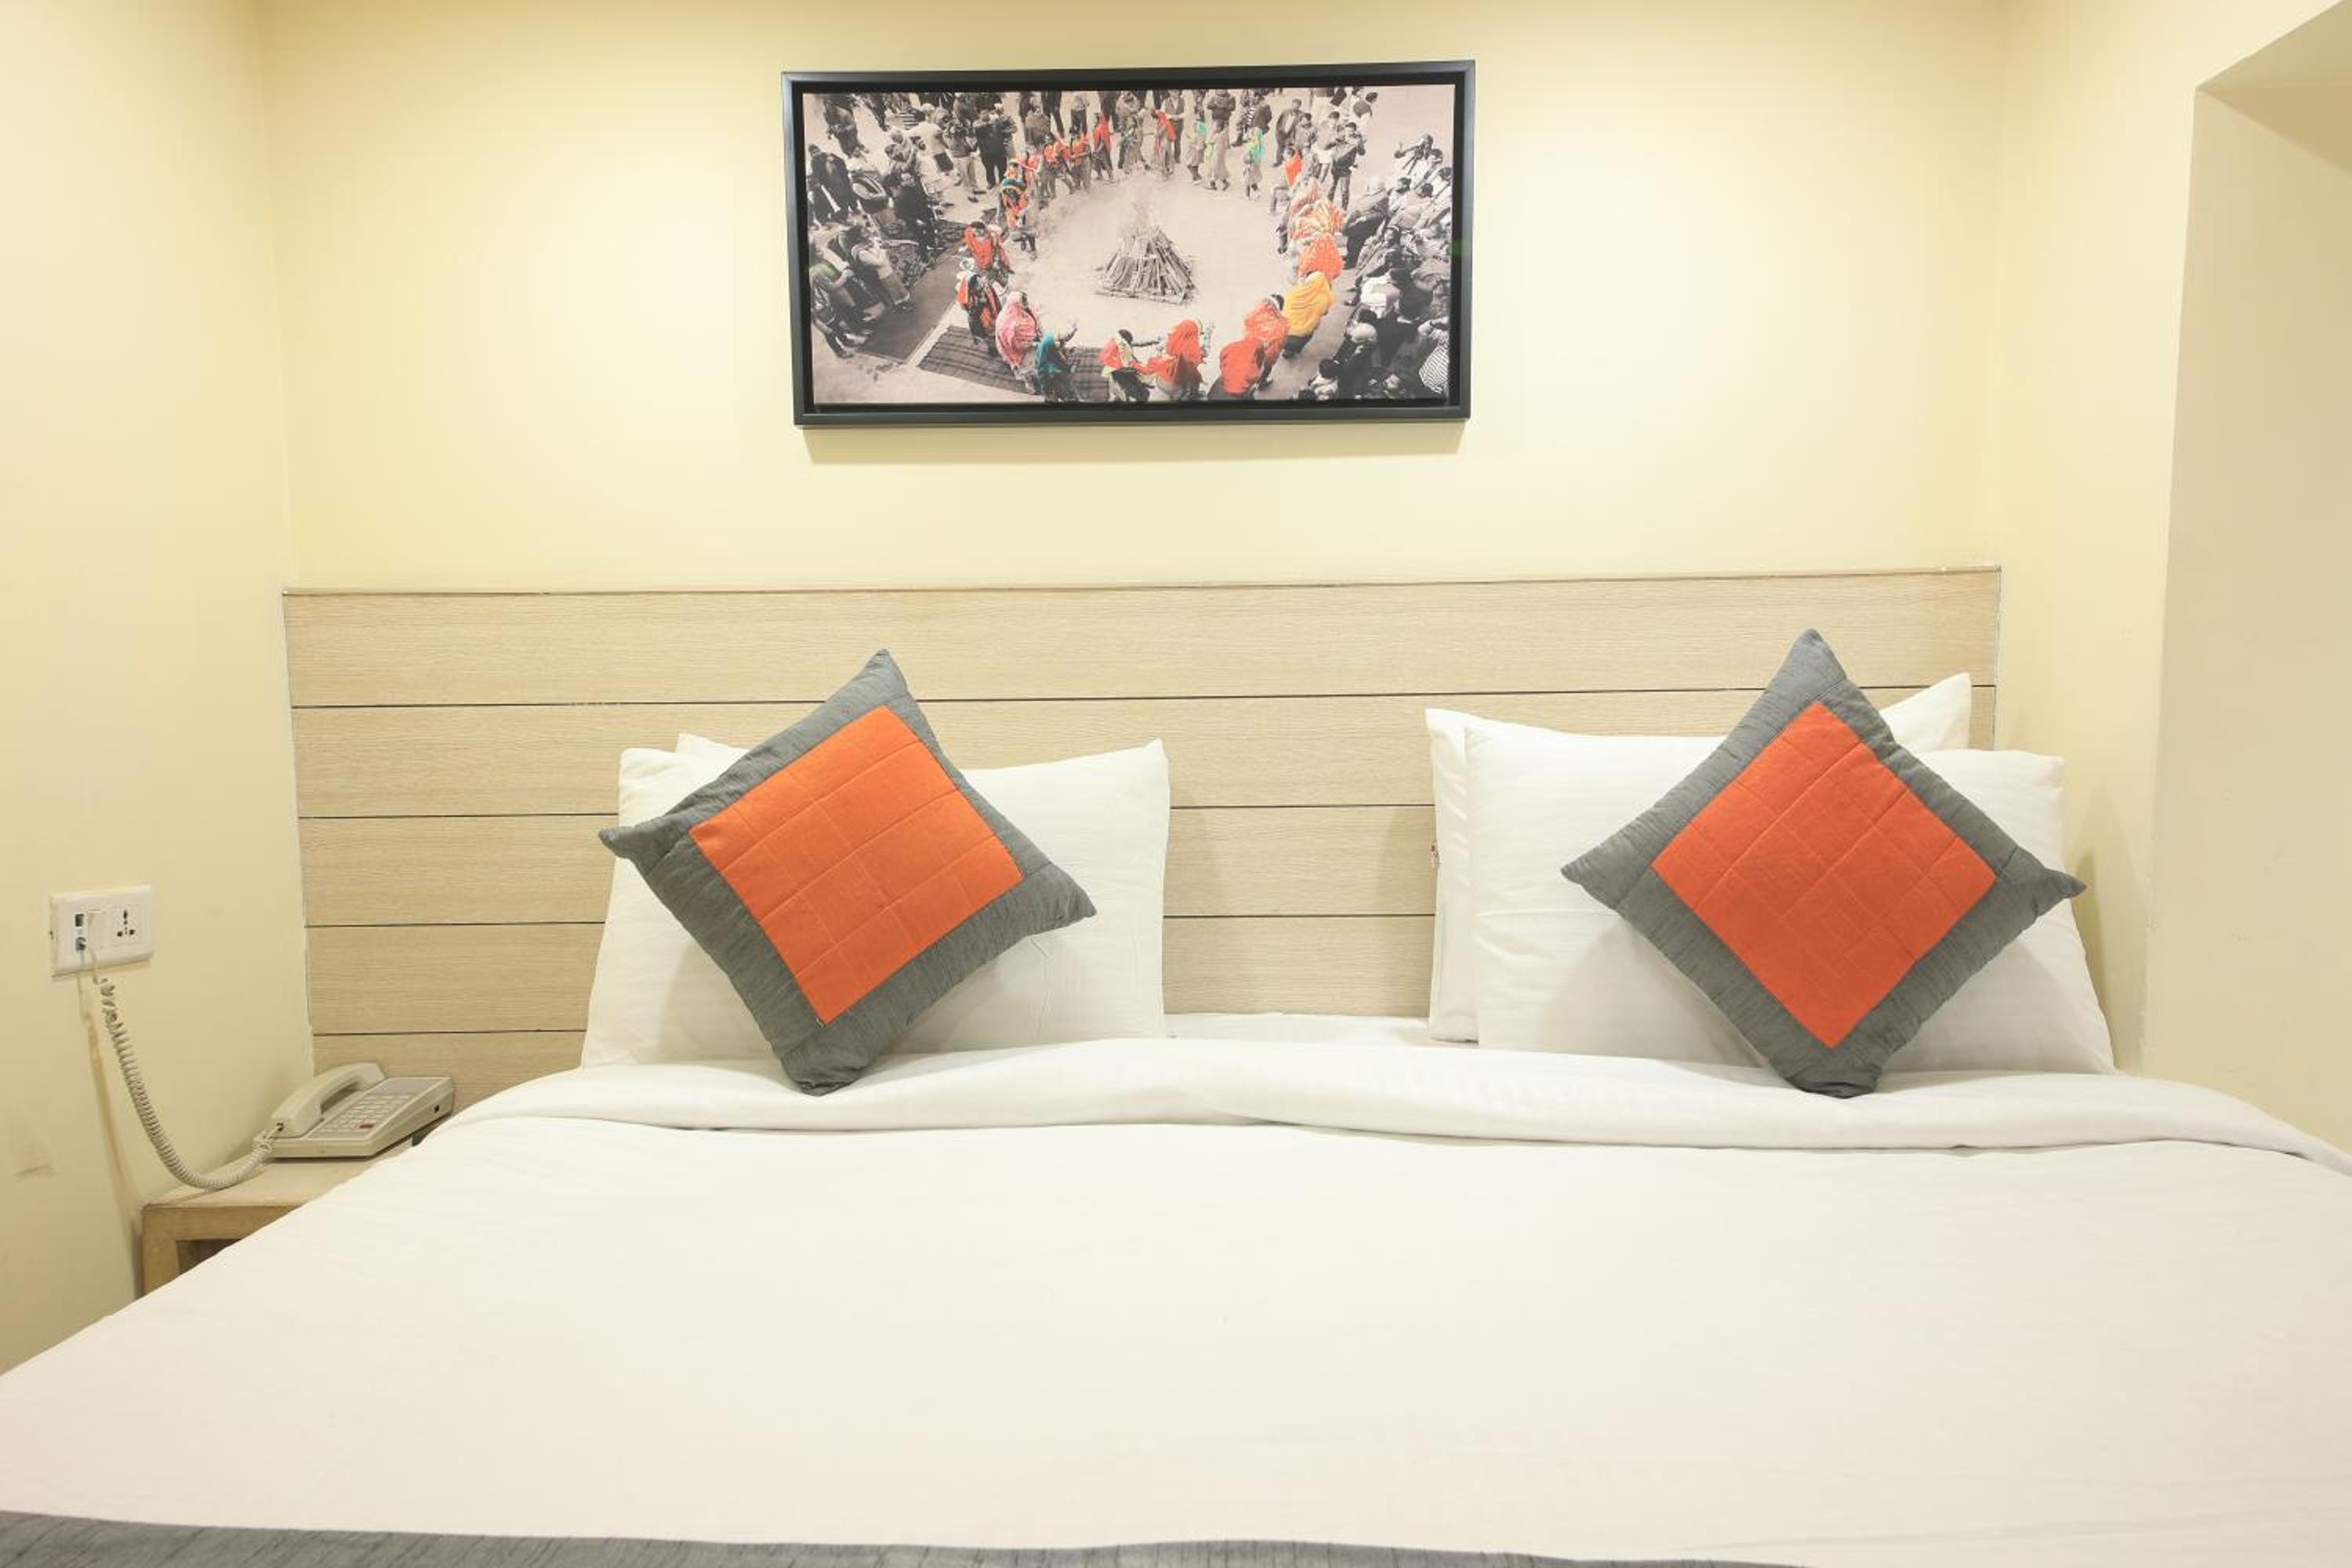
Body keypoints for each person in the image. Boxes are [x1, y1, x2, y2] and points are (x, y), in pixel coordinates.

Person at [1279, 270, 1335, 357]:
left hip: (1284, 332)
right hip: (1304, 334)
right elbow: (1325, 313)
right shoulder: (1325, 298)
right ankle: (1295, 350)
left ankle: (1287, 349)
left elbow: (1285, 308)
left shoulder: (1295, 292)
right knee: (1309, 331)